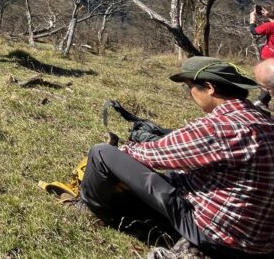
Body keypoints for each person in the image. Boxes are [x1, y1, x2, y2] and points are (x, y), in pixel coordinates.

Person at [76, 57, 274, 259]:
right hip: (260, 243)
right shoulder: (264, 120)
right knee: (176, 173)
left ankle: (93, 209)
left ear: (209, 87)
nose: (190, 94)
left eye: (189, 88)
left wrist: (127, 149)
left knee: (102, 153)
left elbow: (152, 155)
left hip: (217, 237)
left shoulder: (218, 127)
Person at [249, 4, 273, 107]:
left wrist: (252, 20)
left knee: (266, 81)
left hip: (268, 58)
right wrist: (268, 16)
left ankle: (263, 100)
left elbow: (254, 31)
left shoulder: (270, 26)